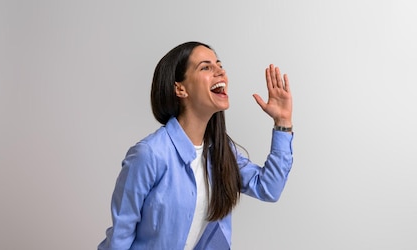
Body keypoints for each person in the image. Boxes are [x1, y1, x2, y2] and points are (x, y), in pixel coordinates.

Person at [98, 41, 294, 250]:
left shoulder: (221, 150)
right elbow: (120, 237)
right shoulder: (150, 154)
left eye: (219, 65)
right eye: (206, 67)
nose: (220, 71)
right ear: (180, 88)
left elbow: (269, 189)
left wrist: (283, 122)